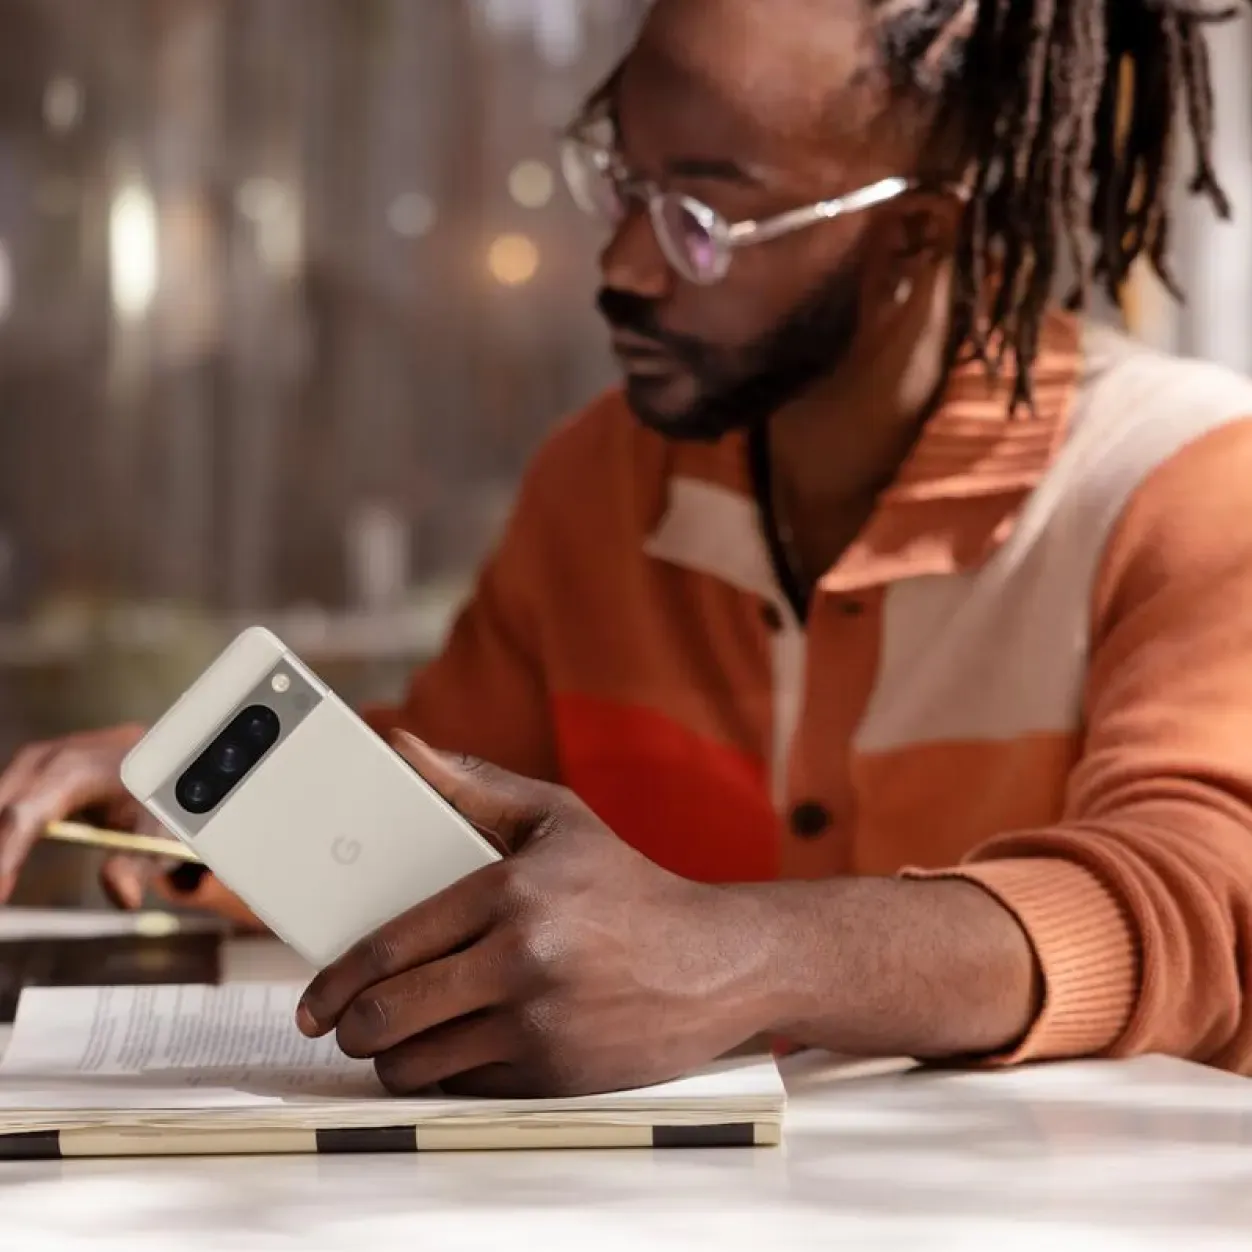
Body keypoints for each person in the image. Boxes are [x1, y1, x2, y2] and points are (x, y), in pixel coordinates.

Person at [4, 0, 1252, 1097]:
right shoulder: (599, 482)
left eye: (705, 218)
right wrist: (219, 803)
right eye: (625, 184)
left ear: (916, 237)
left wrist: (738, 955)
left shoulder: (1186, 481)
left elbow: (1210, 903)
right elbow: (458, 798)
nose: (620, 265)